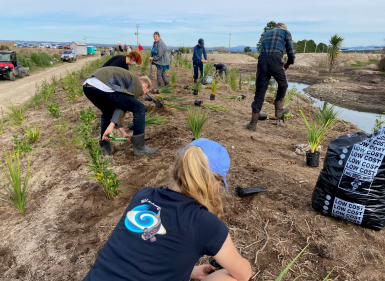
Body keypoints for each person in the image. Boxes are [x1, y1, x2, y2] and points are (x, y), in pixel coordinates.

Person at [82, 138, 252, 281]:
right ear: (214, 183)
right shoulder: (204, 223)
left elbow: (141, 251)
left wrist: (190, 271)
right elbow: (244, 274)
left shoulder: (143, 196)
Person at [82, 67, 159, 157]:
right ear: (145, 86)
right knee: (139, 107)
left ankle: (105, 147)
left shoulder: (128, 80)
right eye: (146, 92)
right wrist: (112, 126)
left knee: (107, 113)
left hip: (88, 86)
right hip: (103, 85)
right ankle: (140, 148)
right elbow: (121, 107)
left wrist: (123, 132)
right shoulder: (137, 84)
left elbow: (117, 108)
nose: (143, 95)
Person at [246, 22, 295, 131]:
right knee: (283, 84)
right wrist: (289, 62)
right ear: (284, 28)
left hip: (262, 61)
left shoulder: (267, 33)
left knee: (260, 92)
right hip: (276, 60)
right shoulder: (286, 32)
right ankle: (278, 110)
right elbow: (290, 52)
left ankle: (253, 123)